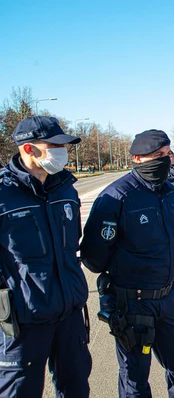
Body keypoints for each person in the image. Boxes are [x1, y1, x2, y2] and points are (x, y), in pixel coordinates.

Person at [80, 129, 174, 397]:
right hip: (132, 303)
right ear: (137, 158)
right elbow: (93, 257)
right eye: (158, 155)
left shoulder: (171, 193)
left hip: (168, 298)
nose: (166, 160)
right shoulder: (117, 197)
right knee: (135, 381)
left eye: (168, 154)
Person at [0, 116, 91, 396]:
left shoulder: (65, 188)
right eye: (53, 145)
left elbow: (72, 244)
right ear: (28, 149)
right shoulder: (4, 194)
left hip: (69, 315)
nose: (62, 152)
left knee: (76, 389)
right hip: (24, 321)